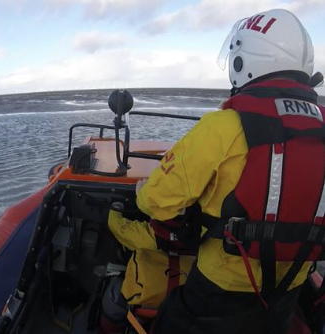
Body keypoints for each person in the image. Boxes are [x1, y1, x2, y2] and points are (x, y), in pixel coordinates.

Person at [122, 8, 325, 334]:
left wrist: (142, 191)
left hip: (221, 286)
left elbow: (156, 202)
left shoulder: (223, 127)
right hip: (290, 288)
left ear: (243, 62)